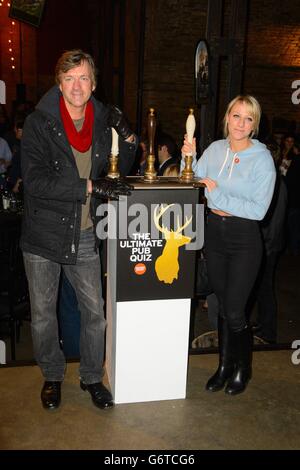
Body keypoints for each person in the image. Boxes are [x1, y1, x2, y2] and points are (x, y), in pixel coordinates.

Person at [21, 49, 136, 410]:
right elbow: (35, 181)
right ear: (59, 83)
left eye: (83, 77)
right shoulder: (41, 122)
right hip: (42, 235)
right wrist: (88, 186)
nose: (76, 85)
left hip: (83, 232)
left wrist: (128, 136)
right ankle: (52, 376)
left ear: (93, 84)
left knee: (95, 314)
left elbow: (118, 173)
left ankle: (90, 377)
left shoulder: (101, 121)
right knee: (42, 315)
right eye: (69, 78)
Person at [181, 95, 276, 395]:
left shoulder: (262, 159)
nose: (241, 123)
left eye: (249, 119)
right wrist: (190, 158)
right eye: (237, 116)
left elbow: (258, 210)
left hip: (244, 239)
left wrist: (217, 195)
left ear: (254, 125)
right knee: (222, 306)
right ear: (227, 118)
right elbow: (196, 179)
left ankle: (242, 368)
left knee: (235, 311)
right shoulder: (215, 149)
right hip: (215, 235)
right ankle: (223, 366)